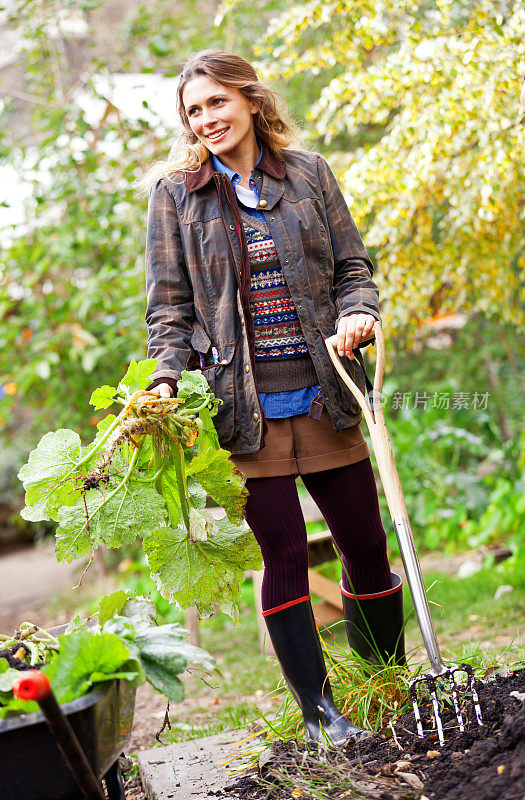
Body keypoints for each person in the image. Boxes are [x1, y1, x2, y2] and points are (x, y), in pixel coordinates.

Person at [139, 49, 405, 746]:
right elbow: (168, 310)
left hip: (326, 393)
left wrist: (358, 312)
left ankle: (388, 686)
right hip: (241, 411)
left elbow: (353, 268)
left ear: (250, 101)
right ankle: (321, 716)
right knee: (283, 556)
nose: (206, 119)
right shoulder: (175, 194)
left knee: (366, 546)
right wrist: (166, 377)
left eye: (217, 102)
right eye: (193, 110)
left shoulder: (310, 173)